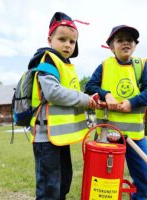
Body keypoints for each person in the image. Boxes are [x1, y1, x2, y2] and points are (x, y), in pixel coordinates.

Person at [27, 12, 96, 200]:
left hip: (59, 137)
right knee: (49, 186)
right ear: (50, 39)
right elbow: (53, 92)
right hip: (46, 136)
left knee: (63, 181)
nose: (67, 44)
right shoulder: (48, 59)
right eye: (62, 39)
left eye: (72, 42)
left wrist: (88, 99)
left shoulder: (66, 65)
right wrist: (84, 98)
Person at [85, 25, 147, 200]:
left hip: (135, 136)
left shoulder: (142, 65)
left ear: (135, 45)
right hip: (108, 134)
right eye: (120, 40)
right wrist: (106, 94)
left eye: (130, 40)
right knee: (105, 177)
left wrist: (132, 103)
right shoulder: (104, 66)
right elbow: (90, 87)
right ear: (111, 47)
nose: (125, 43)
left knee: (143, 175)